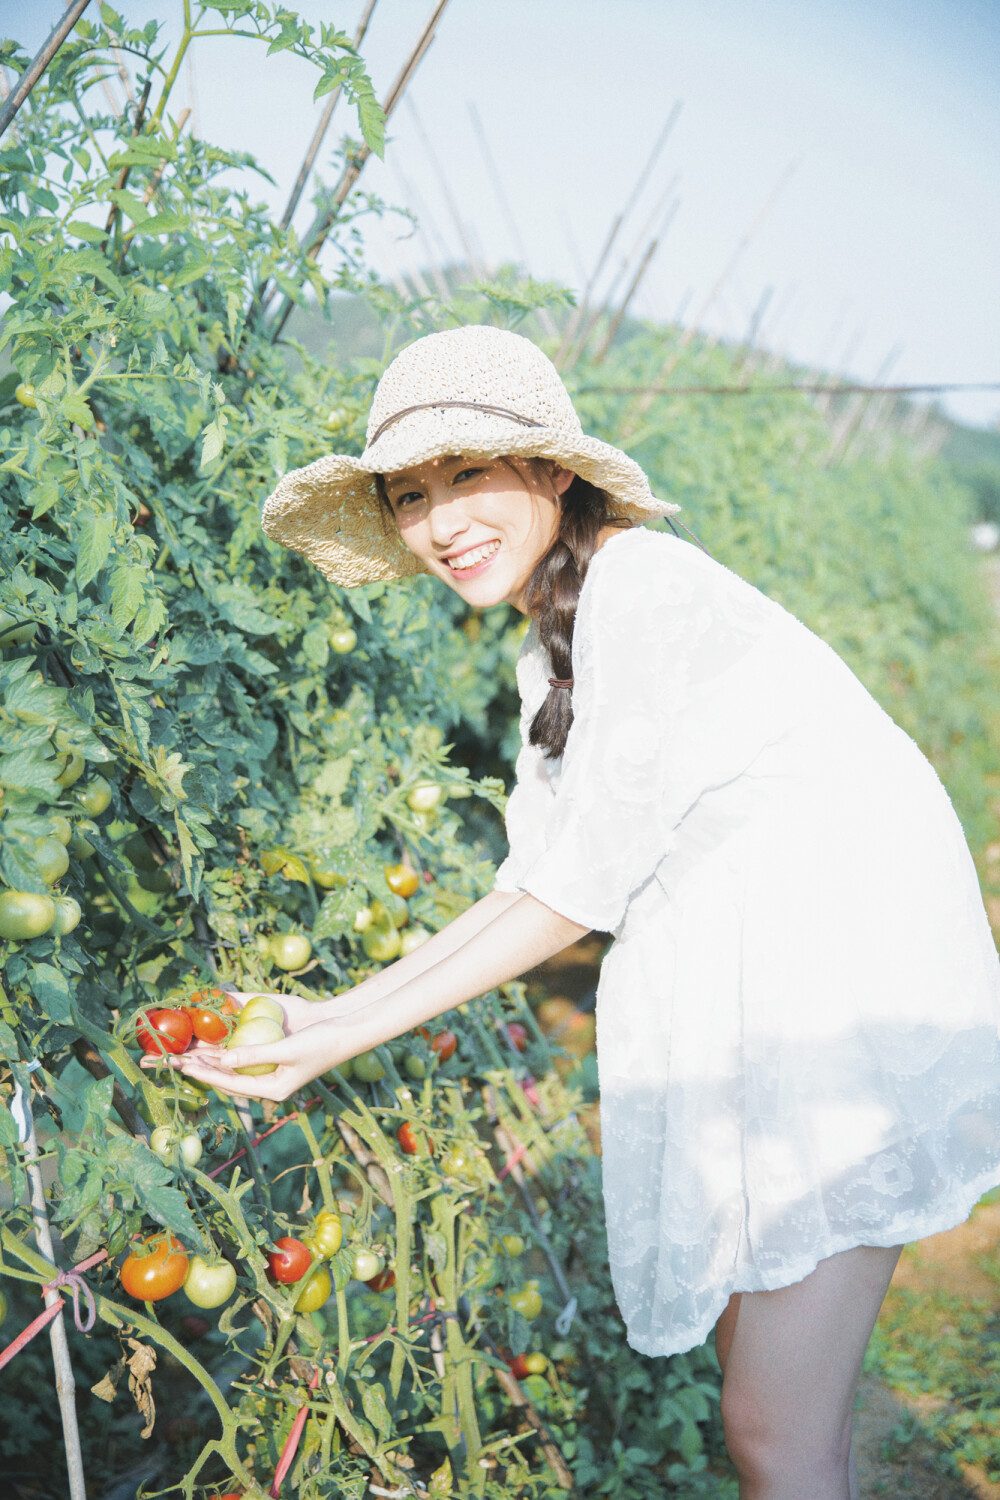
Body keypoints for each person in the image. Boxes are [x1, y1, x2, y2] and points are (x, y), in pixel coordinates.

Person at [147, 324, 1000, 1499]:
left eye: (466, 476)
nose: (441, 522)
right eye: (409, 495)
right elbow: (529, 885)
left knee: (769, 1431)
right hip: (770, 991)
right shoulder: (551, 658)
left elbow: (568, 902)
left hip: (835, 1004)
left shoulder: (642, 590)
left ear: (553, 474)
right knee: (788, 1424)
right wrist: (321, 1011)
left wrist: (337, 1041)